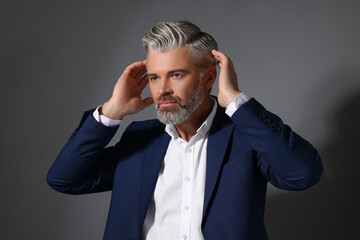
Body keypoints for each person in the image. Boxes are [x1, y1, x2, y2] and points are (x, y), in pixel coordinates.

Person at [47, 21, 322, 240]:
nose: (162, 89)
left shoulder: (246, 136)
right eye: (154, 77)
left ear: (209, 77)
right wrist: (110, 112)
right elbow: (64, 179)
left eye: (176, 75)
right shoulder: (139, 139)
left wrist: (237, 103)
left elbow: (302, 174)